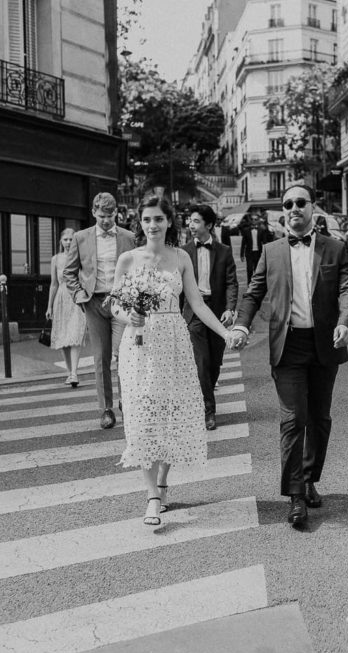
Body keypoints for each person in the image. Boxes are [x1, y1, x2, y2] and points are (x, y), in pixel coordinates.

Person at [229, 183, 348, 528]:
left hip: (325, 343)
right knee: (293, 419)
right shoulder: (271, 252)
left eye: (301, 202)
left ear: (313, 208)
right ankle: (296, 496)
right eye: (288, 204)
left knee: (319, 419)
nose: (294, 208)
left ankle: (310, 478)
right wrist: (242, 325)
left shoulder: (335, 249)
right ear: (283, 211)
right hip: (287, 347)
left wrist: (345, 323)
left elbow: (346, 289)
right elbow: (253, 294)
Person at [112, 196, 233, 527]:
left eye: (159, 219)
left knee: (170, 417)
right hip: (138, 346)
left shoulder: (180, 258)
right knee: (141, 418)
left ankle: (163, 481)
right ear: (140, 223)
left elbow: (197, 303)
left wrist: (225, 333)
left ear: (169, 222)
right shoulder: (128, 259)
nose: (153, 225)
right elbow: (115, 304)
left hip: (174, 343)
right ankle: (152, 496)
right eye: (147, 219)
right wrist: (130, 315)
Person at [63, 192, 137, 429]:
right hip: (94, 302)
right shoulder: (80, 237)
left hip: (121, 302)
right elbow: (69, 272)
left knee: (124, 354)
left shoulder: (129, 237)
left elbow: (138, 268)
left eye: (110, 215)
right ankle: (106, 409)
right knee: (101, 357)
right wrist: (79, 297)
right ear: (94, 213)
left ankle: (126, 401)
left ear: (116, 213)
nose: (106, 220)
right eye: (102, 215)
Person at [183, 205, 239, 430]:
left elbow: (231, 283)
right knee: (202, 361)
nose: (191, 225)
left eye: (195, 221)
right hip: (194, 313)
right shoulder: (184, 251)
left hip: (217, 313)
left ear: (208, 225)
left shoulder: (224, 251)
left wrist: (230, 308)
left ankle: (206, 395)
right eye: (190, 221)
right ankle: (209, 410)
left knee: (215, 362)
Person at [46, 227, 88, 387]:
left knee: (75, 335)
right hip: (61, 299)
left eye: (71, 239)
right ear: (61, 242)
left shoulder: (81, 257)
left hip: (76, 297)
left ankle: (74, 373)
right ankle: (70, 373)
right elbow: (53, 284)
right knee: (64, 338)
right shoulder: (55, 259)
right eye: (66, 239)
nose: (69, 242)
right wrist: (49, 306)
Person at [239, 211, 274, 283]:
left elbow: (264, 243)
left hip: (258, 253)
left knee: (257, 270)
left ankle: (257, 285)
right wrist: (242, 255)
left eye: (255, 219)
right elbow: (243, 244)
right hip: (249, 253)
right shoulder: (246, 231)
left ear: (258, 220)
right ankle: (249, 285)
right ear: (250, 220)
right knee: (249, 269)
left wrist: (266, 254)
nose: (254, 221)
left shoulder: (261, 230)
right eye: (252, 219)